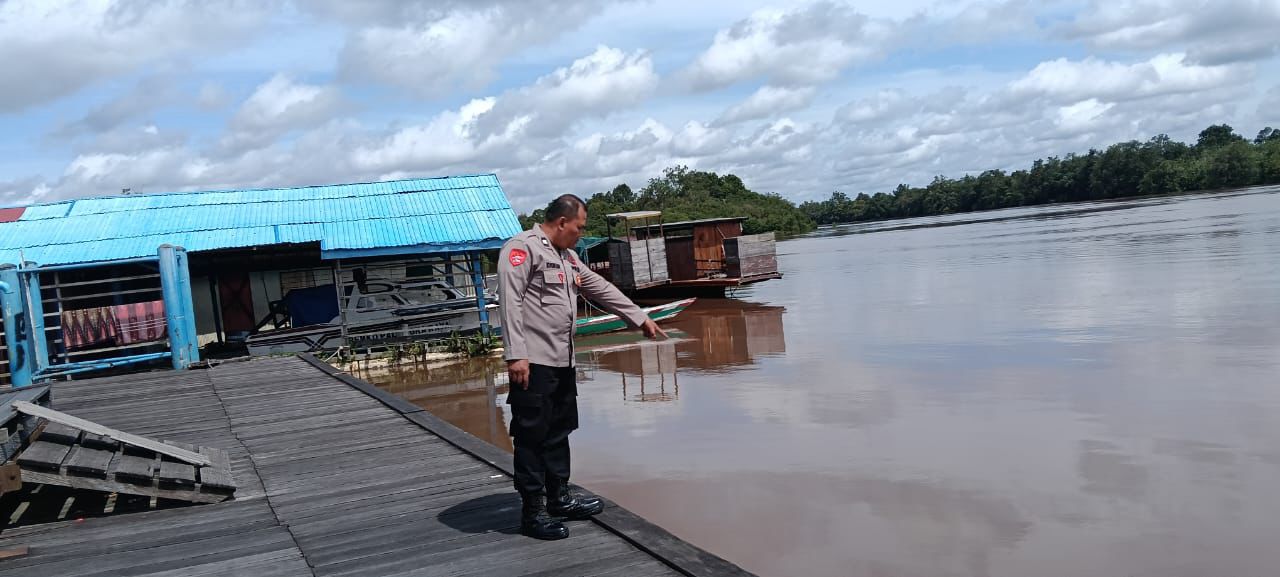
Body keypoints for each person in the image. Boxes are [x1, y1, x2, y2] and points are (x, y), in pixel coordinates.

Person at [497, 194, 666, 540]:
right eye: (579, 227)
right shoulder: (521, 249)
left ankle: (559, 498)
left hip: (563, 360)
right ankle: (533, 512)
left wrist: (639, 317)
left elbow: (600, 288)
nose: (580, 233)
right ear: (562, 222)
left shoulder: (568, 257)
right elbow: (510, 302)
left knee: (559, 431)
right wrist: (516, 354)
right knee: (531, 436)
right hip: (534, 363)